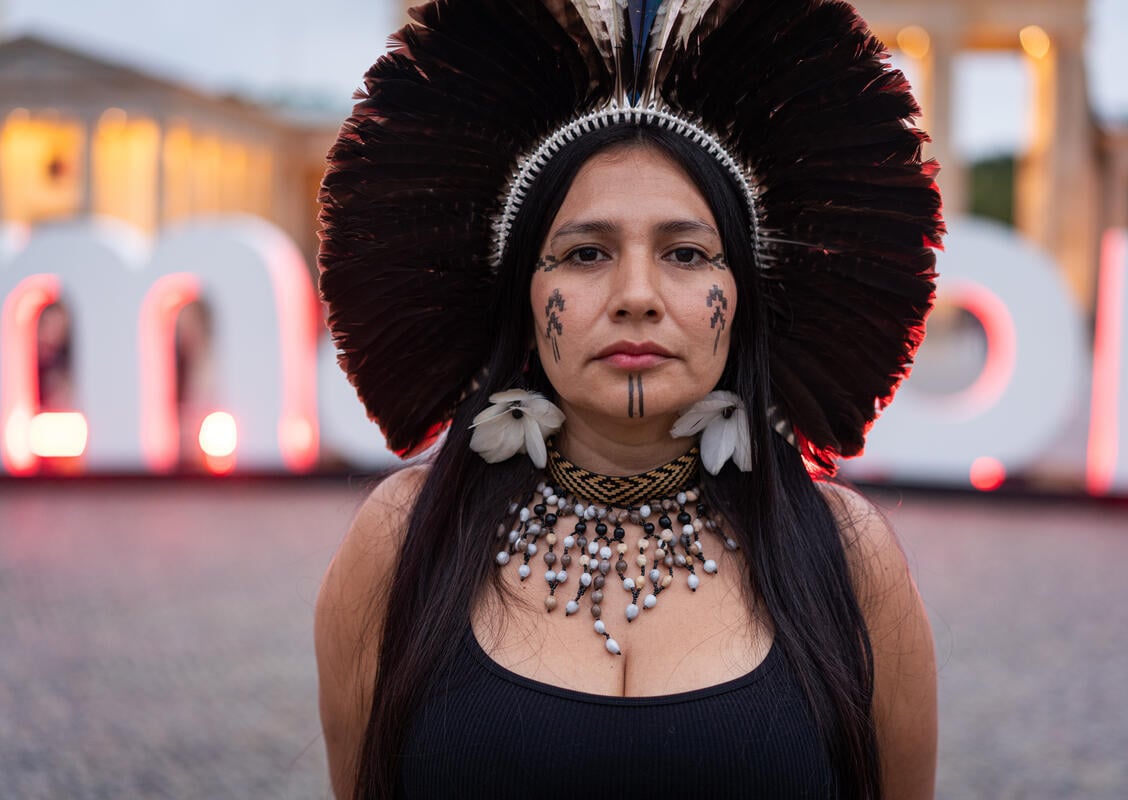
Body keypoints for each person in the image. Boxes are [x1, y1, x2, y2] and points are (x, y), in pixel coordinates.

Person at [314, 1, 943, 798]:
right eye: (585, 253)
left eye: (686, 253)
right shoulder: (405, 540)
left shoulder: (849, 559)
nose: (637, 295)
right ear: (521, 295)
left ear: (744, 295)